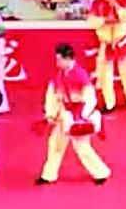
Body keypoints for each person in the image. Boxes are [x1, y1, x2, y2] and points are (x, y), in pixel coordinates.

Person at [37, 43, 110, 185]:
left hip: (77, 114)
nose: (57, 63)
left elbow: (90, 97)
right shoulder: (59, 74)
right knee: (55, 144)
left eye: (59, 60)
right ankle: (48, 175)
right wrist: (51, 113)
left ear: (68, 59)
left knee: (82, 147)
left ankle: (101, 172)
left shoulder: (80, 75)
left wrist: (83, 115)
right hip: (64, 112)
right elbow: (53, 94)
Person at [86, 0, 126, 113]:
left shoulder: (123, 0)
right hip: (106, 41)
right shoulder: (97, 3)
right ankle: (109, 103)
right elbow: (91, 23)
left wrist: (117, 7)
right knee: (105, 74)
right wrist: (103, 18)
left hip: (120, 40)